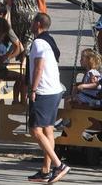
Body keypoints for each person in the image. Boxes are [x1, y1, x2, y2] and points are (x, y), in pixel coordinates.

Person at [27, 13, 69, 182]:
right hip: (54, 90)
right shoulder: (49, 40)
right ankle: (45, 170)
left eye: (32, 22)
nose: (30, 24)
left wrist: (33, 89)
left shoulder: (38, 42)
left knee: (35, 130)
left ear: (38, 24)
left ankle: (59, 165)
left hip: (44, 91)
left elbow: (39, 67)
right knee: (48, 129)